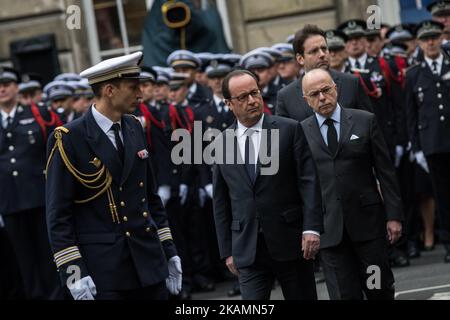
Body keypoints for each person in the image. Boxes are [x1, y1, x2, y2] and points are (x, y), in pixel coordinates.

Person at [45, 52, 182, 300]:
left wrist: (168, 250)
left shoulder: (133, 127)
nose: (140, 94)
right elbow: (59, 215)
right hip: (104, 271)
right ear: (109, 90)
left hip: (148, 261)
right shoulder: (69, 138)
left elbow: (150, 199)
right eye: (133, 87)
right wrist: (73, 272)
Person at [212, 69, 323, 300]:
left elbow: (309, 182)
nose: (252, 101)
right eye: (243, 97)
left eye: (254, 93)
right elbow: (221, 201)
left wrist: (311, 228)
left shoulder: (290, 129)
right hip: (248, 249)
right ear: (229, 104)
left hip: (291, 243)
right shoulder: (221, 143)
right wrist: (227, 251)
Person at [300, 68, 403, 299]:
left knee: (378, 289)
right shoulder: (301, 132)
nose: (322, 98)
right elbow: (301, 184)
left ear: (335, 89)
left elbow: (385, 172)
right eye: (315, 94)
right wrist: (309, 228)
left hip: (369, 226)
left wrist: (394, 215)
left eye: (326, 90)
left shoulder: (364, 120)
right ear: (306, 100)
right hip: (330, 231)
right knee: (344, 295)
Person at [0, 66, 63, 299]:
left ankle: (56, 296)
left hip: (38, 197)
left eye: (7, 84)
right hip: (9, 201)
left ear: (17, 88)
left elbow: (54, 152)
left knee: (48, 256)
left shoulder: (39, 114)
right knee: (24, 260)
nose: (2, 89)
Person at [405, 20, 450, 263]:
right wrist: (416, 147)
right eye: (425, 39)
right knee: (442, 197)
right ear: (420, 43)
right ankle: (449, 243)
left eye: (434, 37)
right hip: (432, 143)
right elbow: (411, 113)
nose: (431, 42)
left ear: (442, 38)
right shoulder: (413, 74)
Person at [276, 24, 373, 122]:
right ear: (300, 59)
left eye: (324, 48)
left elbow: (369, 124)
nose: (322, 54)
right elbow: (281, 133)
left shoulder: (352, 83)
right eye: (314, 51)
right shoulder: (286, 96)